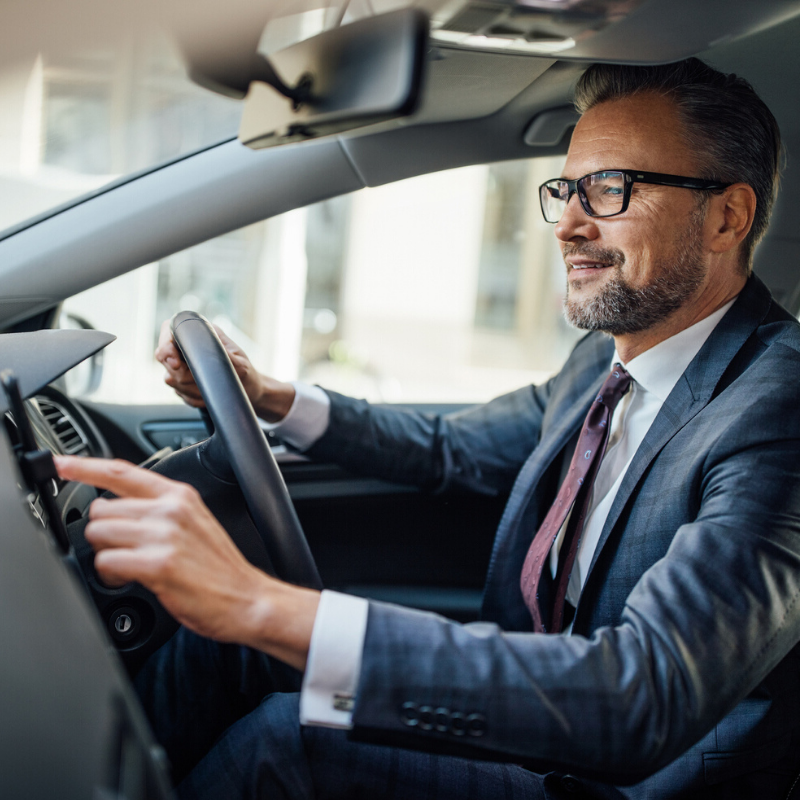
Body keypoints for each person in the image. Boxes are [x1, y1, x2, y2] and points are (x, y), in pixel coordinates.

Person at [55, 57, 800, 799]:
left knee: (289, 738)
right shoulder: (600, 368)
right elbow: (451, 447)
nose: (569, 224)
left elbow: (645, 694)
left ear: (726, 217)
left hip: (617, 779)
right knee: (235, 650)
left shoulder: (780, 404)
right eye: (566, 190)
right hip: (538, 717)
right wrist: (272, 397)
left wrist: (260, 600)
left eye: (611, 189)